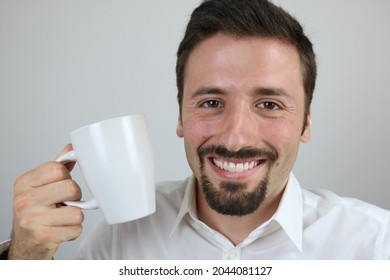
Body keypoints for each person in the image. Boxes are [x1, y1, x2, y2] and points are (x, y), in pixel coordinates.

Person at [1, 0, 389, 260]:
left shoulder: (374, 244)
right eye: (211, 103)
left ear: (305, 122)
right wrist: (22, 261)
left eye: (269, 105)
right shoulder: (117, 237)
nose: (236, 138)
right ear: (181, 118)